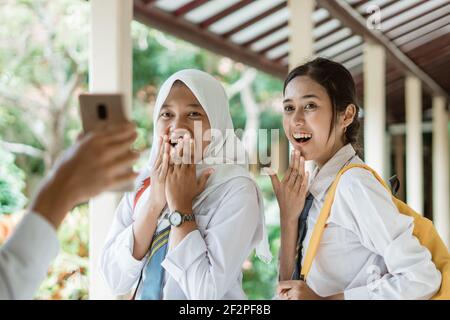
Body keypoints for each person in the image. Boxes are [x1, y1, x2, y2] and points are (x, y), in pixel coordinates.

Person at [266, 57, 441, 300]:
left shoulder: (354, 185)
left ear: (346, 115)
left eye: (310, 106)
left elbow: (421, 278)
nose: (296, 120)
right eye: (289, 108)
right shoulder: (316, 187)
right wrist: (289, 219)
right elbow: (288, 289)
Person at [100, 69, 271, 300]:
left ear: (216, 122)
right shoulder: (144, 184)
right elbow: (114, 279)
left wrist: (181, 207)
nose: (177, 126)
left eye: (193, 114)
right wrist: (154, 203)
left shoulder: (236, 190)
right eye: (166, 114)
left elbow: (205, 294)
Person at [0, 123, 138, 299]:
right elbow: (116, 278)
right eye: (166, 114)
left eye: (187, 115)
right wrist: (62, 187)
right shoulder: (138, 196)